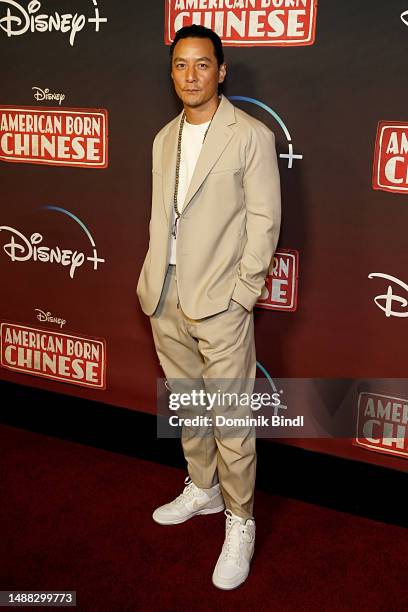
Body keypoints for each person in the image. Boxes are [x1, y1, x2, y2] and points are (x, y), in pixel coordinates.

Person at [137, 24, 281, 590]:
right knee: (189, 406)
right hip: (164, 294)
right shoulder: (161, 138)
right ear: (171, 73)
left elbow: (264, 222)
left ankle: (240, 520)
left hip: (220, 302)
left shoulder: (250, 136)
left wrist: (242, 296)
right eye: (180, 65)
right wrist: (151, 278)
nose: (190, 75)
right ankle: (202, 487)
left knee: (231, 420)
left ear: (221, 71)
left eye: (202, 64)